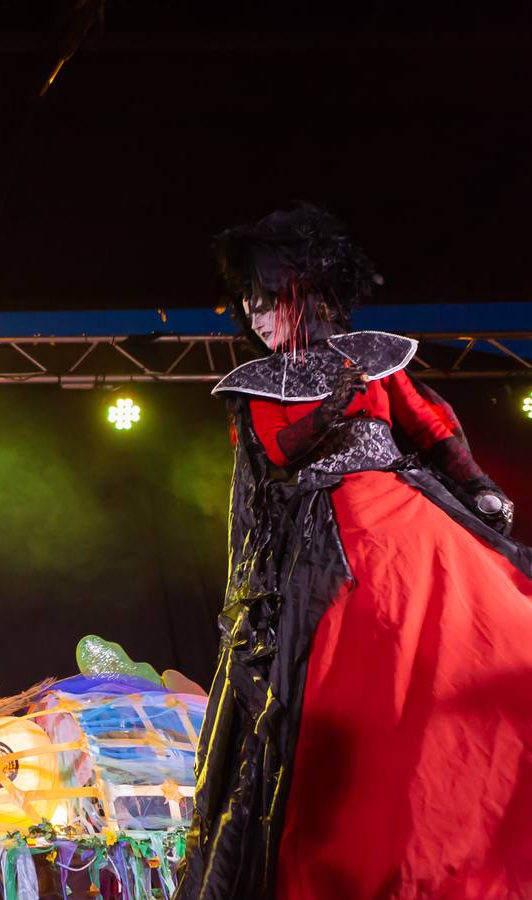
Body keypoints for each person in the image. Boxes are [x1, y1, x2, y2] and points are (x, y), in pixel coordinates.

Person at [179, 205, 532, 899]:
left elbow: (430, 425)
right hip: (332, 537)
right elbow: (283, 448)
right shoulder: (257, 385)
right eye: (247, 308)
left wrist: (479, 486)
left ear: (300, 296)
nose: (254, 317)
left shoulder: (372, 358)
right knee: (361, 669)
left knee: (496, 628)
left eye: (265, 303)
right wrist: (333, 405)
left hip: (409, 515)